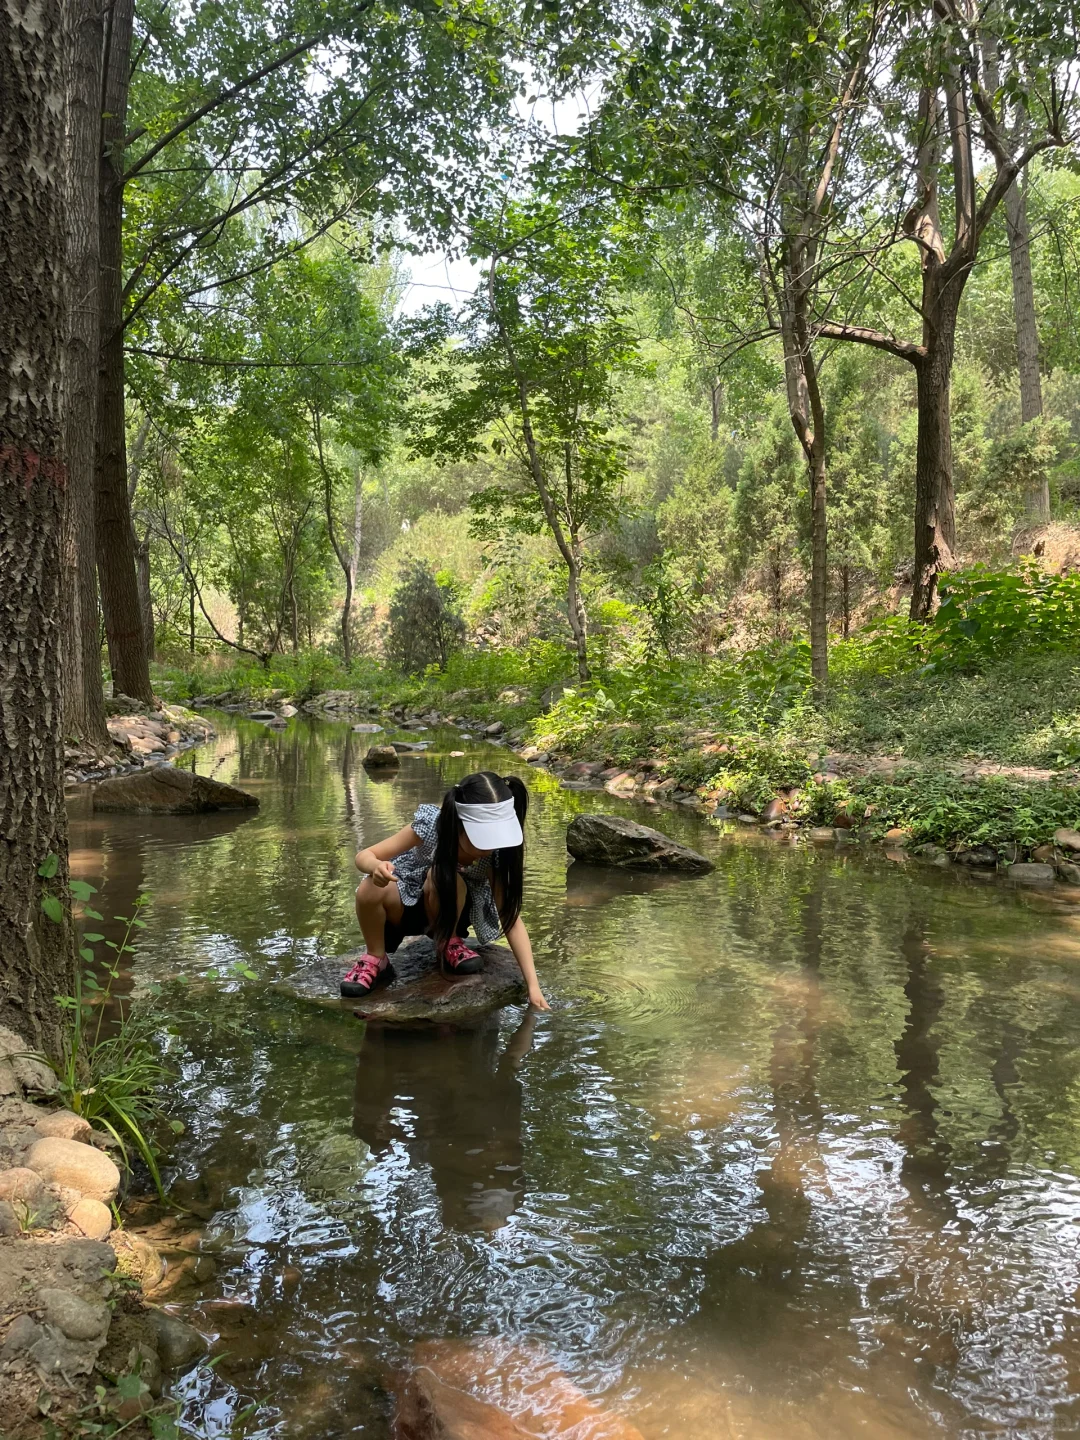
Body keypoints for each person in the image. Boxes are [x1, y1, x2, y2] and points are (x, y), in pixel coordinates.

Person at [342, 770, 550, 1009]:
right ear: (459, 824)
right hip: (406, 906)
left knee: (445, 875)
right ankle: (376, 959)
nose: (491, 846)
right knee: (370, 886)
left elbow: (510, 918)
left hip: (451, 911)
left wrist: (533, 986)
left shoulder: (495, 856)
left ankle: (449, 942)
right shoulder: (432, 826)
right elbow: (363, 856)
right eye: (484, 838)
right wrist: (377, 866)